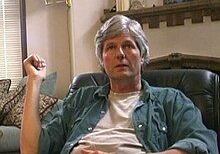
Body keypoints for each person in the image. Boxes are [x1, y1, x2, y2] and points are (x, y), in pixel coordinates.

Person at [20, 15, 218, 154]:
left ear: (142, 56)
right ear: (102, 61)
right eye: (111, 47)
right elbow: (32, 149)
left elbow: (202, 142)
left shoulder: (170, 99)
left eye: (128, 45)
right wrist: (34, 81)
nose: (120, 54)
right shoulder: (80, 99)